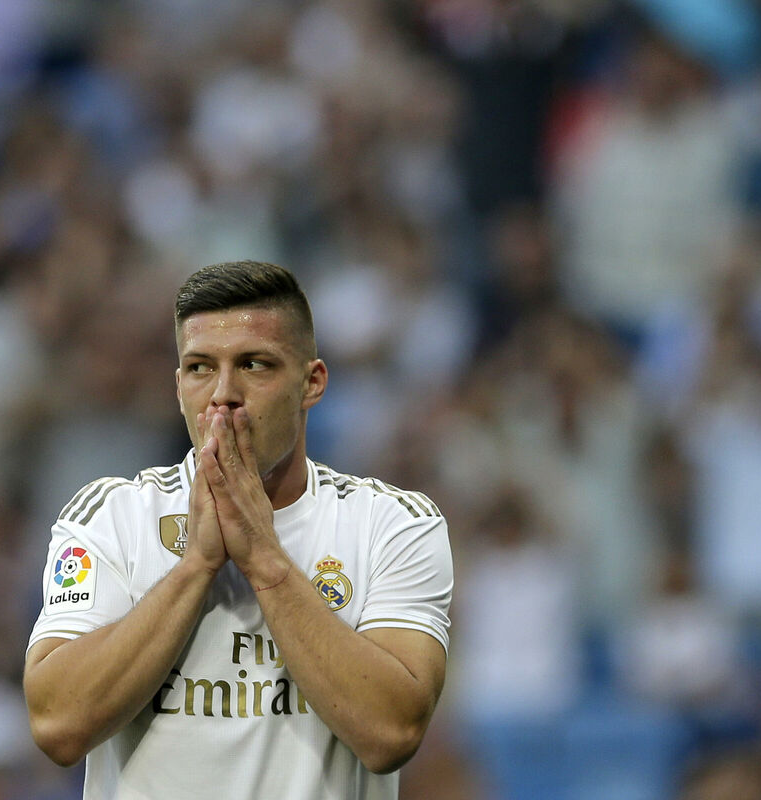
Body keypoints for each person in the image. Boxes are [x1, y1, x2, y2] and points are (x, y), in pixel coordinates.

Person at [23, 260, 453, 799]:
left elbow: (392, 733)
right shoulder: (112, 516)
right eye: (200, 368)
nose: (223, 393)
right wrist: (196, 566)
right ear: (179, 386)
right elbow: (58, 726)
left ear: (312, 383)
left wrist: (264, 561)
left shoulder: (392, 525)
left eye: (254, 364)